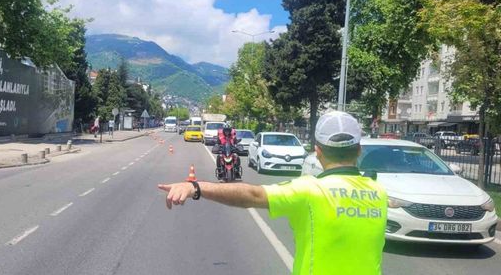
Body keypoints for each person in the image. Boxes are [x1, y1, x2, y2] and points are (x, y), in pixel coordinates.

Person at [158, 111, 388, 275]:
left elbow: (253, 195)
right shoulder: (379, 193)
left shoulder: (310, 190)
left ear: (317, 152)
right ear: (358, 150)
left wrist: (195, 187)